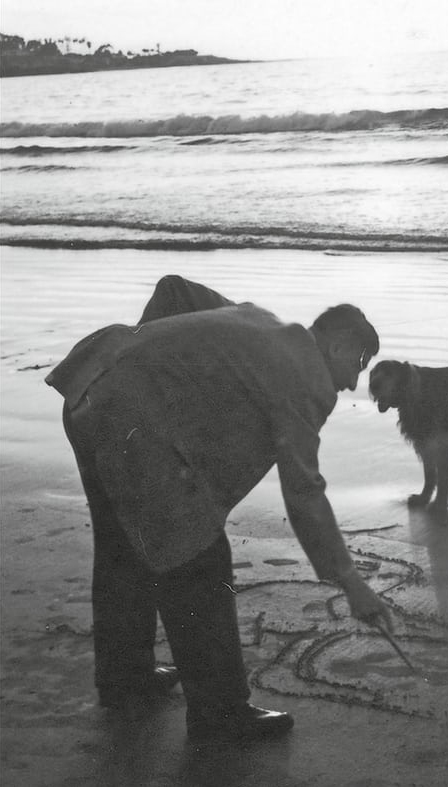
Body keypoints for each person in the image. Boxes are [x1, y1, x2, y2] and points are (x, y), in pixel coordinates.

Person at [46, 275, 392, 747]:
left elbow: (174, 290)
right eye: (358, 362)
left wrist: (154, 366)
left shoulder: (256, 319)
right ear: (337, 343)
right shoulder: (306, 378)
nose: (354, 380)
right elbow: (304, 491)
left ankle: (126, 680)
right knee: (201, 560)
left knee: (125, 547)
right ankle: (221, 713)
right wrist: (351, 583)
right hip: (129, 420)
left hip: (91, 385)